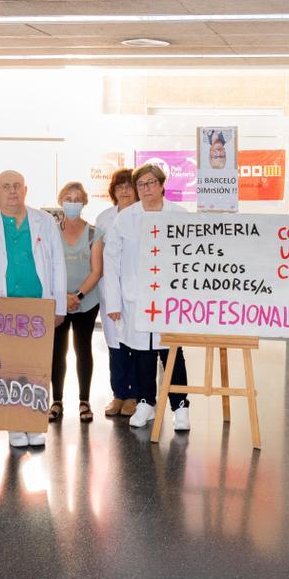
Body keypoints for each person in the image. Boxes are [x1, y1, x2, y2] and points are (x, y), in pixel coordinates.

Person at [0, 170, 67, 448]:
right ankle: (14, 425)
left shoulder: (44, 221)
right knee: (8, 368)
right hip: (3, 306)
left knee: (37, 368)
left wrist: (59, 306)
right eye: (5, 186)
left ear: (25, 189)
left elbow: (57, 264)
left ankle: (33, 423)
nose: (12, 191)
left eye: (17, 186)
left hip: (38, 306)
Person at [102, 164, 191, 431]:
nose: (146, 189)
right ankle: (145, 402)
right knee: (141, 352)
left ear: (162, 185)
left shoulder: (180, 215)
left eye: (151, 183)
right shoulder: (126, 218)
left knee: (172, 352)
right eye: (141, 185)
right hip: (135, 298)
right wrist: (114, 302)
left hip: (170, 299)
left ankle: (181, 406)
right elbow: (112, 260)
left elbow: (192, 258)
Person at [49, 182, 103, 423]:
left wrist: (77, 296)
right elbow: (47, 267)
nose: (72, 202)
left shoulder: (94, 233)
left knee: (83, 349)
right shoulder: (51, 231)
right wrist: (62, 297)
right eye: (68, 198)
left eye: (77, 199)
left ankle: (84, 401)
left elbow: (96, 270)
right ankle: (57, 401)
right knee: (57, 351)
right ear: (61, 201)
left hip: (86, 301)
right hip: (58, 302)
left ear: (84, 203)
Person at [94, 169, 138, 417]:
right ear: (113, 191)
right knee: (114, 343)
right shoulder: (103, 218)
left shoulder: (145, 217)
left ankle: (136, 395)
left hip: (137, 291)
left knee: (137, 343)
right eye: (119, 186)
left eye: (128, 185)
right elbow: (98, 258)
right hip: (109, 289)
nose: (124, 190)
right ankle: (119, 394)